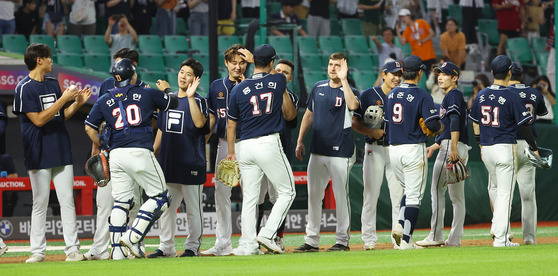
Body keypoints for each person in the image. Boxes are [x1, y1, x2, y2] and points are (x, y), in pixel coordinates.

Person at [84, 58, 178, 259]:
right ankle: (133, 236)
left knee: (121, 202)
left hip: (115, 155)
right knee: (161, 197)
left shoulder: (104, 99)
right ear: (133, 74)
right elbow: (173, 102)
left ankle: (117, 251)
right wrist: (168, 89)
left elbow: (89, 126)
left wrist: (102, 146)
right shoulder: (146, 92)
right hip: (139, 151)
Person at [13, 43, 92, 263]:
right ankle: (37, 252)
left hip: (60, 146)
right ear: (39, 60)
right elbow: (38, 120)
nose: (51, 60)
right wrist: (64, 99)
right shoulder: (24, 87)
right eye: (49, 57)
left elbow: (60, 116)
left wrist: (76, 104)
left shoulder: (52, 83)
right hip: (38, 150)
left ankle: (72, 251)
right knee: (40, 202)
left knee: (67, 200)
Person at [226, 44, 297, 255]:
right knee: (288, 192)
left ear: (254, 62)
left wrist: (231, 152)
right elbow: (277, 74)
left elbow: (231, 124)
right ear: (273, 62)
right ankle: (267, 233)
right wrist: (253, 60)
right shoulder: (277, 80)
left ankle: (247, 244)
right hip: (268, 143)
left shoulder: (238, 88)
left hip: (244, 146)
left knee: (250, 198)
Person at [293, 52, 360, 253]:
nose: (332, 68)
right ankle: (311, 240)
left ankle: (342, 240)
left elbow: (353, 105)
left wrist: (344, 80)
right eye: (331, 64)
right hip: (317, 150)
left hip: (341, 151)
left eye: (337, 65)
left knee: (341, 196)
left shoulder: (351, 90)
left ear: (344, 68)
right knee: (314, 196)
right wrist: (299, 140)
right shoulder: (318, 87)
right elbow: (309, 114)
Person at [83, 48, 146, 261]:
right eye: (116, 63)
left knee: (134, 202)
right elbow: (98, 121)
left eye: (121, 63)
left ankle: (135, 246)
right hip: (110, 151)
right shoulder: (107, 85)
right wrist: (97, 148)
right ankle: (99, 248)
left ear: (133, 66)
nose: (116, 69)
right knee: (104, 201)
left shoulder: (143, 89)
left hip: (133, 150)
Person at [468, 55, 536, 247]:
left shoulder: (481, 94)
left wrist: (480, 143)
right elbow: (524, 126)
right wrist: (533, 146)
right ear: (509, 72)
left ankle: (498, 231)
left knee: (496, 191)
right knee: (505, 194)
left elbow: (474, 121)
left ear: (491, 72)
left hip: (487, 149)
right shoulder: (511, 95)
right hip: (504, 147)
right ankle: (501, 238)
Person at [148, 58, 209, 258]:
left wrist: (190, 97)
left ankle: (192, 247)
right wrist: (152, 152)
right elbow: (161, 130)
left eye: (188, 74)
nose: (183, 76)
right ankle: (166, 247)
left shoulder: (199, 100)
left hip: (191, 162)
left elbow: (200, 124)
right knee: (166, 208)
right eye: (181, 72)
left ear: (196, 79)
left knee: (193, 210)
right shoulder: (168, 100)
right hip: (168, 162)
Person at [385, 55, 442, 250]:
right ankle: (407, 241)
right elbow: (433, 125)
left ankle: (400, 226)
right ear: (420, 72)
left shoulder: (391, 94)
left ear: (403, 72)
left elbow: (386, 123)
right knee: (414, 197)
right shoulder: (423, 95)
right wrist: (439, 127)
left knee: (408, 191)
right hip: (413, 148)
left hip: (393, 149)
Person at [202, 44, 250, 257]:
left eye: (242, 63)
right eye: (234, 62)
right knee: (222, 194)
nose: (238, 67)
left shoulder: (252, 85)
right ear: (226, 63)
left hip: (249, 143)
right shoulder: (216, 86)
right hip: (223, 143)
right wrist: (204, 138)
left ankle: (249, 242)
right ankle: (223, 243)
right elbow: (213, 116)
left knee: (251, 194)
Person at [352, 61, 405, 250]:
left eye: (400, 74)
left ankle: (397, 238)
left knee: (398, 196)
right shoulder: (368, 94)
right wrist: (371, 132)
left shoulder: (403, 95)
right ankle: (368, 239)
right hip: (374, 149)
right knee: (370, 195)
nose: (397, 77)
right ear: (383, 74)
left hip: (395, 150)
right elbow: (354, 123)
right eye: (393, 73)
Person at [416, 62, 470, 248]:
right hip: (456, 146)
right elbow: (449, 127)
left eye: (445, 74)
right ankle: (454, 239)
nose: (440, 76)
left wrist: (452, 147)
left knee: (437, 191)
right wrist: (436, 145)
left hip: (452, 148)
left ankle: (436, 235)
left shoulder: (452, 95)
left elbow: (454, 121)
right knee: (457, 198)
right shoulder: (455, 95)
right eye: (439, 73)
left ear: (454, 78)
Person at [256, 58, 299, 252]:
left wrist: (280, 88)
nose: (279, 73)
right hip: (258, 149)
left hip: (281, 149)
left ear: (289, 78)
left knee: (278, 196)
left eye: (284, 73)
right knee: (256, 197)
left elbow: (290, 118)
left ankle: (277, 237)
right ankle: (254, 239)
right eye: (277, 70)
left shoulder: (290, 95)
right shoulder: (260, 90)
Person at [506, 62, 547, 245]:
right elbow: (542, 112)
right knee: (528, 195)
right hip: (529, 146)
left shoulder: (504, 92)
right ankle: (529, 237)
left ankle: (504, 234)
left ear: (508, 75)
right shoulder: (534, 92)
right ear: (522, 76)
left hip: (508, 145)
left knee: (504, 194)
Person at [396, 9, 437, 75]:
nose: (402, 19)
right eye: (401, 18)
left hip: (429, 55)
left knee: (431, 77)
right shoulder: (407, 31)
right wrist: (397, 31)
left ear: (409, 16)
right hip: (417, 58)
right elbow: (403, 42)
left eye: (403, 17)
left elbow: (432, 33)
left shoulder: (421, 22)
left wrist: (423, 40)